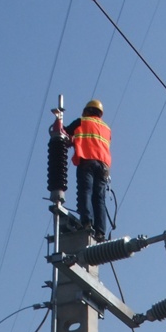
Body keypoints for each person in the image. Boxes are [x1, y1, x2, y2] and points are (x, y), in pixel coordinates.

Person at [66, 99, 111, 241]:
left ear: (87, 111)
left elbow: (63, 133)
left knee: (86, 191)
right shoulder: (107, 128)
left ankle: (86, 223)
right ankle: (101, 232)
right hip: (104, 166)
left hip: (87, 160)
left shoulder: (81, 121)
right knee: (100, 198)